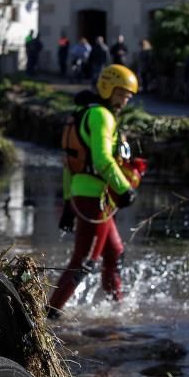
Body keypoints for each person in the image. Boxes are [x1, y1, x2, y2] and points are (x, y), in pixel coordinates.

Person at [47, 65, 144, 316]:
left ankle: (116, 309)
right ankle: (48, 315)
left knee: (114, 253)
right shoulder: (102, 116)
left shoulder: (84, 113)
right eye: (122, 94)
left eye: (128, 97)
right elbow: (101, 160)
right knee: (84, 261)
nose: (125, 101)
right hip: (94, 198)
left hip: (89, 195)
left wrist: (69, 202)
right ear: (108, 89)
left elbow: (70, 165)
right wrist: (124, 189)